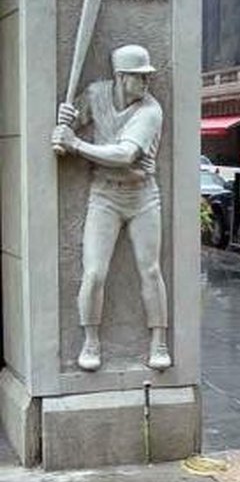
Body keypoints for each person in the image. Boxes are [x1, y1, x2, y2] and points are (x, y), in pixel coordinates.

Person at [52, 44, 171, 372]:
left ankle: (159, 340)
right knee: (93, 273)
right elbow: (69, 126)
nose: (146, 82)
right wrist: (65, 122)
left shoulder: (151, 110)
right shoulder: (96, 94)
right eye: (139, 77)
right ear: (121, 77)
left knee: (150, 270)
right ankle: (91, 340)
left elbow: (124, 155)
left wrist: (75, 144)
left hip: (142, 196)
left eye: (147, 77)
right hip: (104, 195)